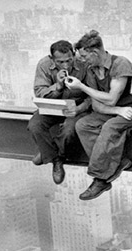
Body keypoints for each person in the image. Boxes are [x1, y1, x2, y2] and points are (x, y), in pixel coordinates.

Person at [67, 30, 132, 200]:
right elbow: (96, 103)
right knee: (83, 125)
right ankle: (117, 162)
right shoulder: (92, 70)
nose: (83, 61)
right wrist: (116, 111)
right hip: (117, 110)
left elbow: (111, 98)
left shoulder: (120, 64)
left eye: (85, 56)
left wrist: (82, 87)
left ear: (95, 52)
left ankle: (99, 178)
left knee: (110, 127)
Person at [28, 40, 91, 184]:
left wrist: (79, 109)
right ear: (52, 59)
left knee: (69, 130)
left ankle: (48, 152)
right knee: (35, 125)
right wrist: (58, 86)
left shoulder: (84, 64)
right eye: (60, 62)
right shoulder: (44, 65)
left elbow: (92, 94)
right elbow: (39, 92)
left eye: (69, 60)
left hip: (76, 107)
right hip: (52, 106)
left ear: (73, 55)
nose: (66, 65)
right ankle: (55, 159)